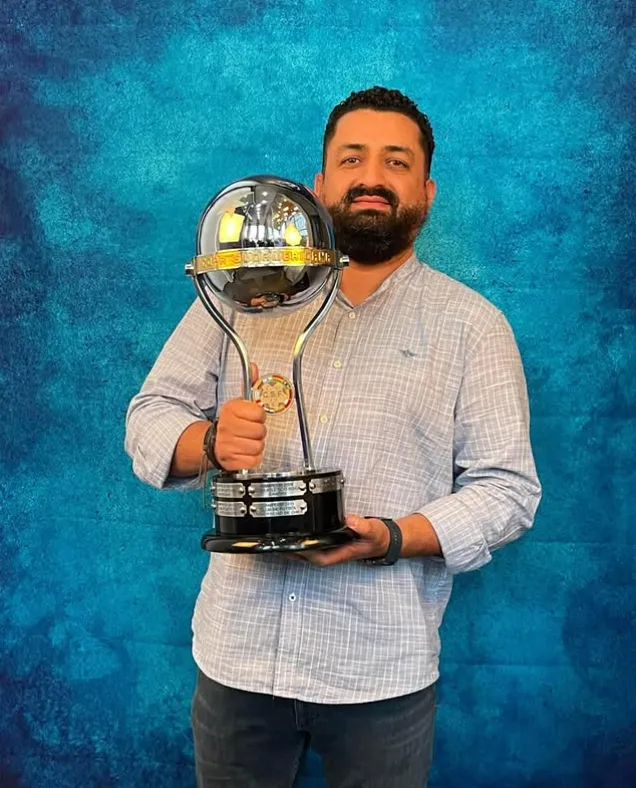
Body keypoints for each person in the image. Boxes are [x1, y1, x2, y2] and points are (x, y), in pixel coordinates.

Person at [125, 86, 542, 788]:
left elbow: (508, 491)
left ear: (427, 191)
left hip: (380, 671)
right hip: (237, 658)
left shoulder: (473, 326)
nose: (371, 177)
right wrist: (209, 441)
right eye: (352, 159)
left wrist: (392, 536)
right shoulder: (240, 295)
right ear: (319, 187)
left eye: (396, 162)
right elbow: (150, 413)